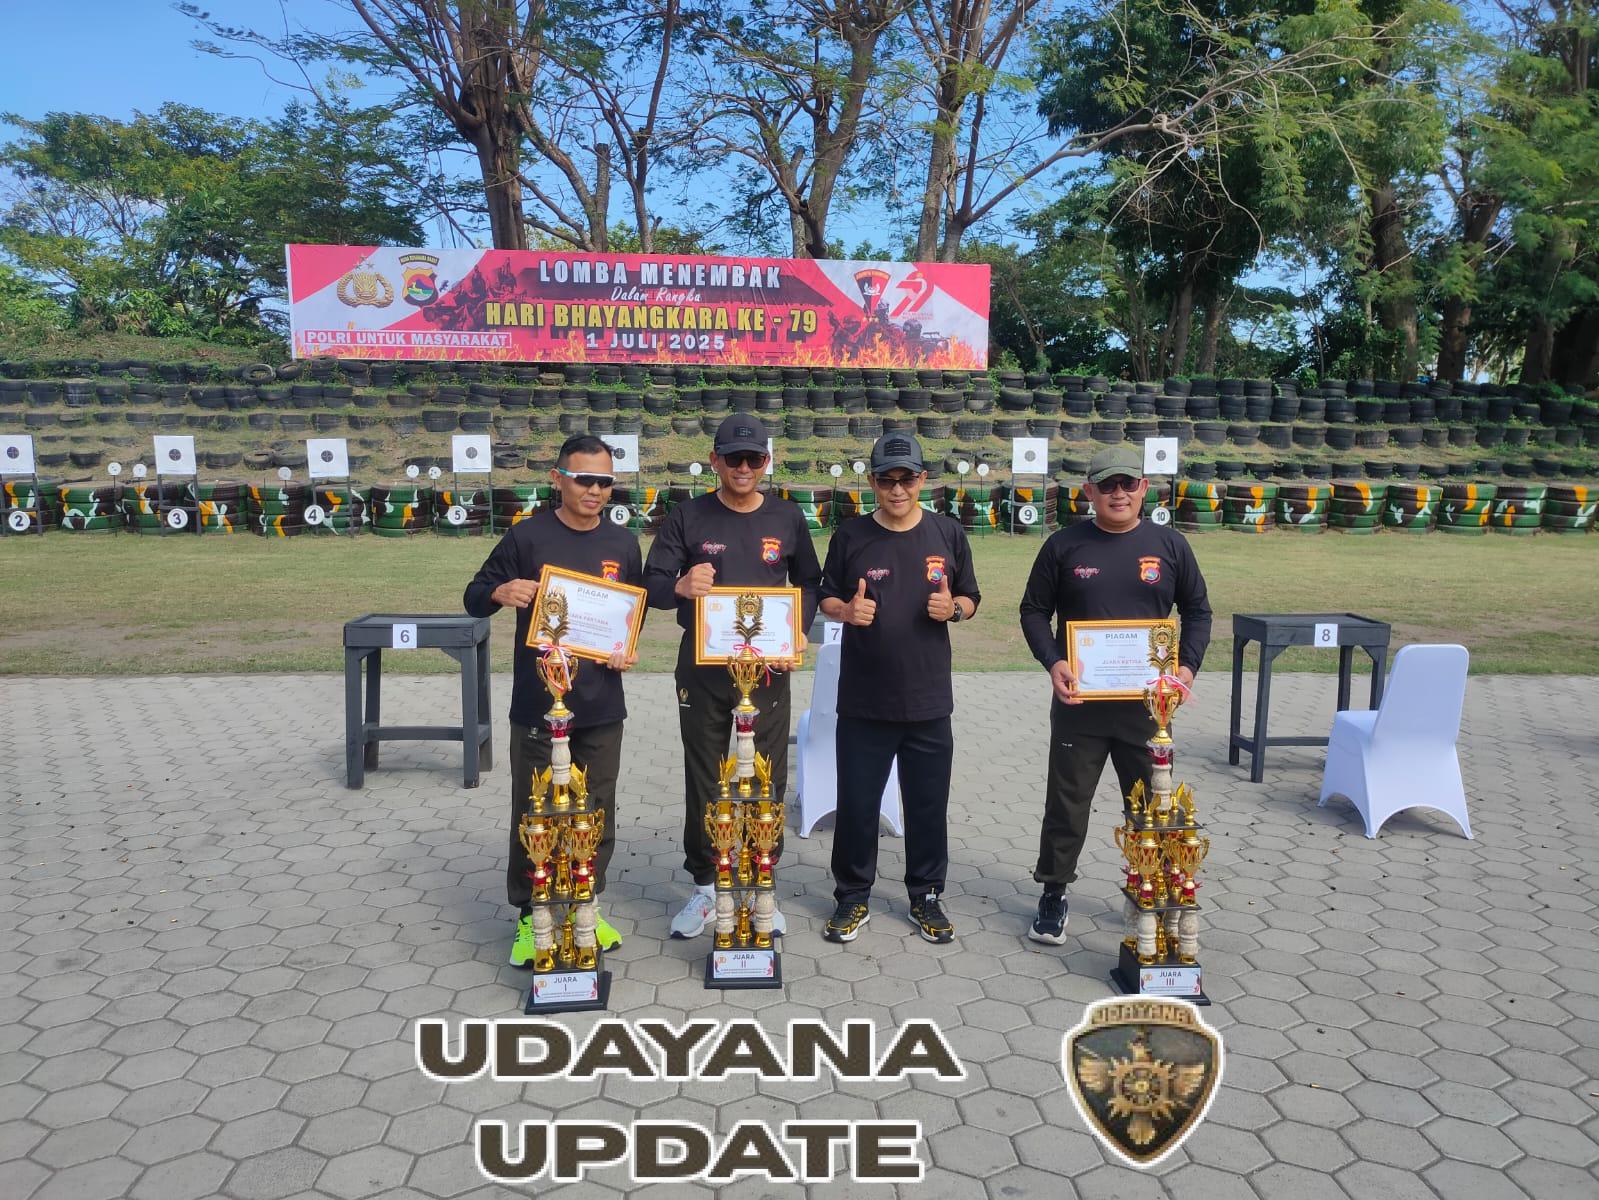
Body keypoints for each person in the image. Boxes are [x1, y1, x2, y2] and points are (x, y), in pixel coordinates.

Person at [1018, 444, 1212, 944]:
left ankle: (1155, 893)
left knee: (1151, 806)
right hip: (1080, 704)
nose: (1119, 493)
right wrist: (1054, 662)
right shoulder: (1064, 546)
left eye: (1128, 484)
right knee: (1067, 803)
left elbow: (1198, 610)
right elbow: (1033, 611)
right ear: (1089, 491)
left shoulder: (1170, 546)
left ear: (1145, 488)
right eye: (1108, 485)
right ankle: (1054, 891)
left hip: (1148, 708)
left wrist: (1186, 671)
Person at [463, 435, 642, 967]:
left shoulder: (623, 543)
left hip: (602, 705)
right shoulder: (527, 537)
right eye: (584, 479)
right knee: (535, 812)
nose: (595, 490)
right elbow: (473, 594)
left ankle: (586, 902)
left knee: (596, 812)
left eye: (605, 482)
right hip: (540, 705)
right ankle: (530, 915)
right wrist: (500, 593)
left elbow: (628, 617)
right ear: (558, 478)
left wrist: (621, 653)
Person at [644, 415, 821, 939]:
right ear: (715, 460)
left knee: (766, 775)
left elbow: (810, 582)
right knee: (706, 776)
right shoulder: (687, 516)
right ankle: (705, 888)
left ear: (768, 462)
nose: (744, 469)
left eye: (755, 459)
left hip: (766, 671)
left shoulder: (788, 517)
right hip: (703, 669)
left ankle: (759, 883)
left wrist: (799, 633)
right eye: (734, 459)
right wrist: (680, 583)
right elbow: (650, 584)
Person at [817, 433, 980, 944]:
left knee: (928, 803)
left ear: (922, 480)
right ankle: (851, 896)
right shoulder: (851, 535)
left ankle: (926, 894)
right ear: (871, 483)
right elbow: (825, 596)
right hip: (865, 700)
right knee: (858, 803)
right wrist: (846, 611)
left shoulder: (947, 534)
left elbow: (972, 597)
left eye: (906, 479)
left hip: (929, 700)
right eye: (886, 480)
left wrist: (952, 608)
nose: (896, 489)